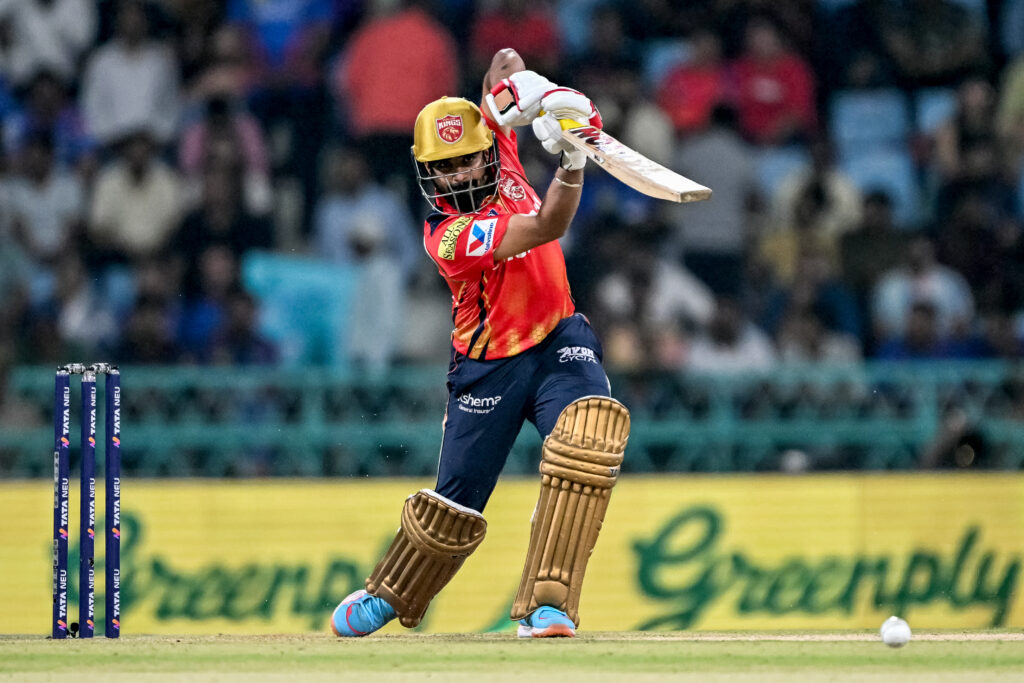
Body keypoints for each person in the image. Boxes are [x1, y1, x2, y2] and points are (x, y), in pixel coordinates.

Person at [329, 48, 630, 640]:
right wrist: (572, 155)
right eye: (444, 168)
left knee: (588, 440)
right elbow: (548, 225)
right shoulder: (447, 236)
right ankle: (390, 594)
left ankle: (548, 606)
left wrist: (534, 94)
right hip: (488, 366)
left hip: (559, 339)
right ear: (427, 173)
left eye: (467, 160)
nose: (460, 175)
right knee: (455, 507)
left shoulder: (502, 146)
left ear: (488, 149)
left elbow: (503, 61)